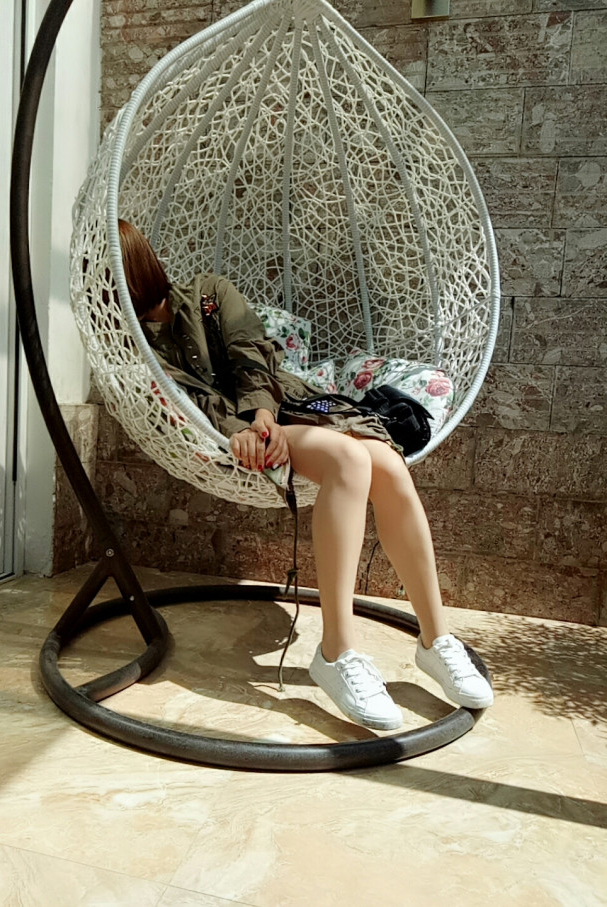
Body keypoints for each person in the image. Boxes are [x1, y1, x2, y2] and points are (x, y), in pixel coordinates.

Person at [117, 219, 493, 730]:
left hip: (289, 404)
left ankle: (436, 639)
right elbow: (186, 399)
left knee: (386, 462)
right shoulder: (133, 343)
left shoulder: (208, 292)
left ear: (132, 266)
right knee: (349, 460)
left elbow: (251, 352)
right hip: (232, 435)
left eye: (110, 275)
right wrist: (239, 429)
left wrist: (261, 414)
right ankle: (337, 651)